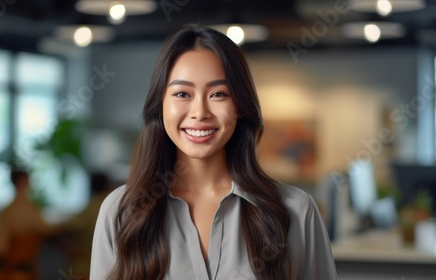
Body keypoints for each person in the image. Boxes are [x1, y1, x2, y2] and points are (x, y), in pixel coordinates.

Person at [91, 24, 337, 280]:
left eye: (218, 94)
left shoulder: (296, 211)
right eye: (182, 93)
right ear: (160, 105)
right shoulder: (121, 212)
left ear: (240, 105)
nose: (200, 112)